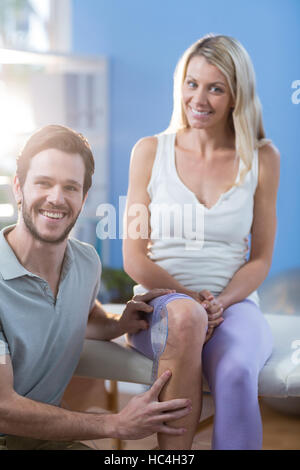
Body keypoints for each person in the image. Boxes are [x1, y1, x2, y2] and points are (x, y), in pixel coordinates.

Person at [123, 34, 280, 450]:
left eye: (215, 87)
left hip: (233, 306)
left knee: (236, 373)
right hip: (161, 306)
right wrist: (194, 301)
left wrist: (221, 303)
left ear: (236, 96)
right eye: (192, 83)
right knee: (187, 318)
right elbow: (134, 258)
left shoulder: (263, 158)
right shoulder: (149, 151)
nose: (199, 98)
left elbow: (261, 258)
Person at [0, 125, 192, 451]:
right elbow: (3, 409)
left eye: (70, 187)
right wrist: (114, 423)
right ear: (18, 187)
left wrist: (120, 323)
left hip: (44, 439)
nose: (56, 198)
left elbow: (84, 316)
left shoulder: (86, 262)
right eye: (43, 183)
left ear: (84, 198)